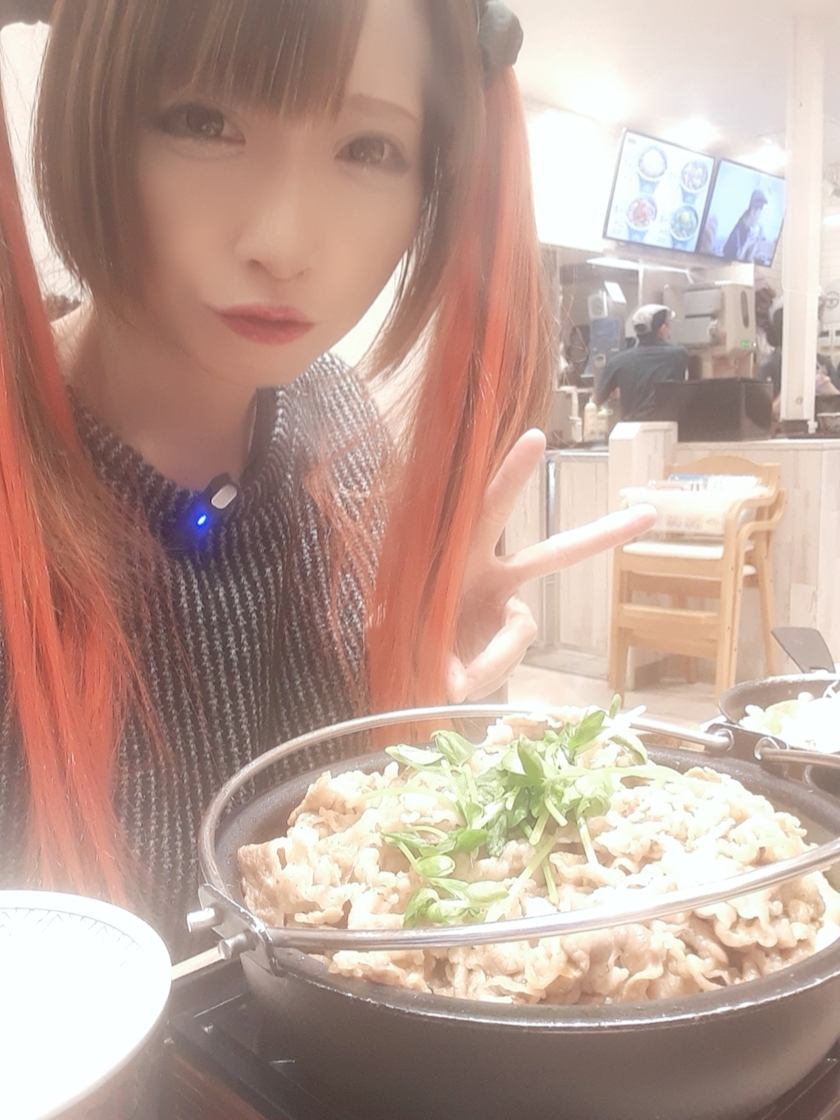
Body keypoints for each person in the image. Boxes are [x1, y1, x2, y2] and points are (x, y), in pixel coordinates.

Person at [0, 0, 654, 961]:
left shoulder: (339, 425)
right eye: (203, 121)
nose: (283, 241)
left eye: (369, 149)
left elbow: (362, 909)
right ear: (90, 114)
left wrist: (425, 708)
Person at [593, 304, 688, 421]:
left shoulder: (618, 361)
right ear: (662, 329)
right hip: (665, 427)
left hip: (629, 429)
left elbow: (596, 400)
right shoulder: (678, 355)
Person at [722, 189, 767, 263]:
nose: (759, 218)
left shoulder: (747, 230)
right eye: (759, 213)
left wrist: (757, 241)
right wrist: (746, 245)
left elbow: (748, 259)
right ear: (752, 211)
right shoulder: (736, 234)